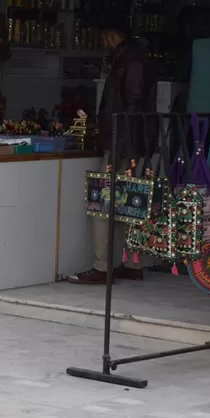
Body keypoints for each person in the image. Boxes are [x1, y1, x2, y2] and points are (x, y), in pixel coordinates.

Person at [69, 17, 158, 284]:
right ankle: (128, 264)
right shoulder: (131, 58)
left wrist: (121, 143)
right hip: (127, 141)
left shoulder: (130, 62)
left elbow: (132, 104)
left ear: (110, 35)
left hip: (122, 141)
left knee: (103, 203)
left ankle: (102, 266)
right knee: (127, 204)